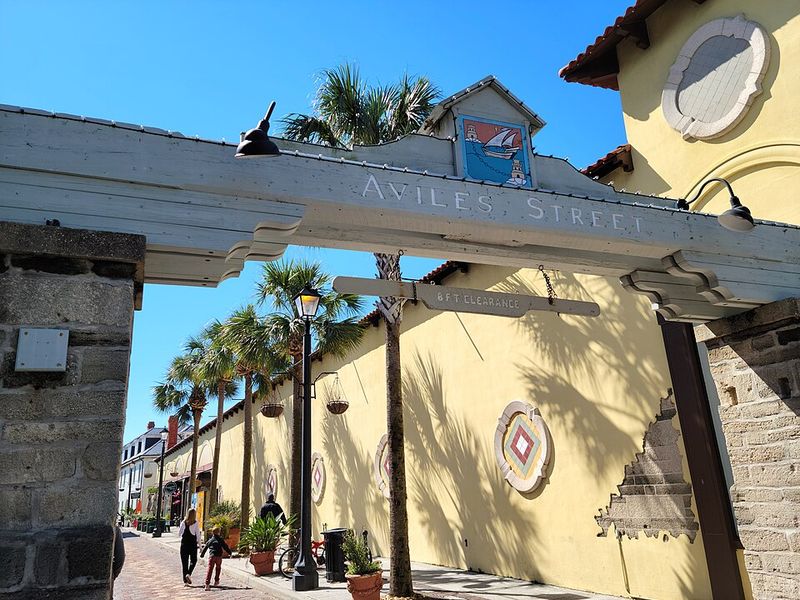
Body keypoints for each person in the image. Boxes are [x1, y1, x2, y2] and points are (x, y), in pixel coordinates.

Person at [200, 526, 232, 590]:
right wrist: (230, 553)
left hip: (212, 556)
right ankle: (216, 581)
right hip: (219, 556)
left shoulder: (210, 540)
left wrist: (202, 555)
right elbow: (225, 546)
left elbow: (205, 547)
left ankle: (207, 584)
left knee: (210, 569)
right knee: (218, 568)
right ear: (219, 532)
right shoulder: (220, 539)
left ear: (212, 533)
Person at [178, 508, 201, 585]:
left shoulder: (183, 522)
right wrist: (200, 547)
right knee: (193, 560)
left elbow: (179, 533)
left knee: (184, 563)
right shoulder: (196, 523)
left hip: (184, 545)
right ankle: (189, 574)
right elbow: (198, 535)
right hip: (192, 545)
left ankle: (185, 581)